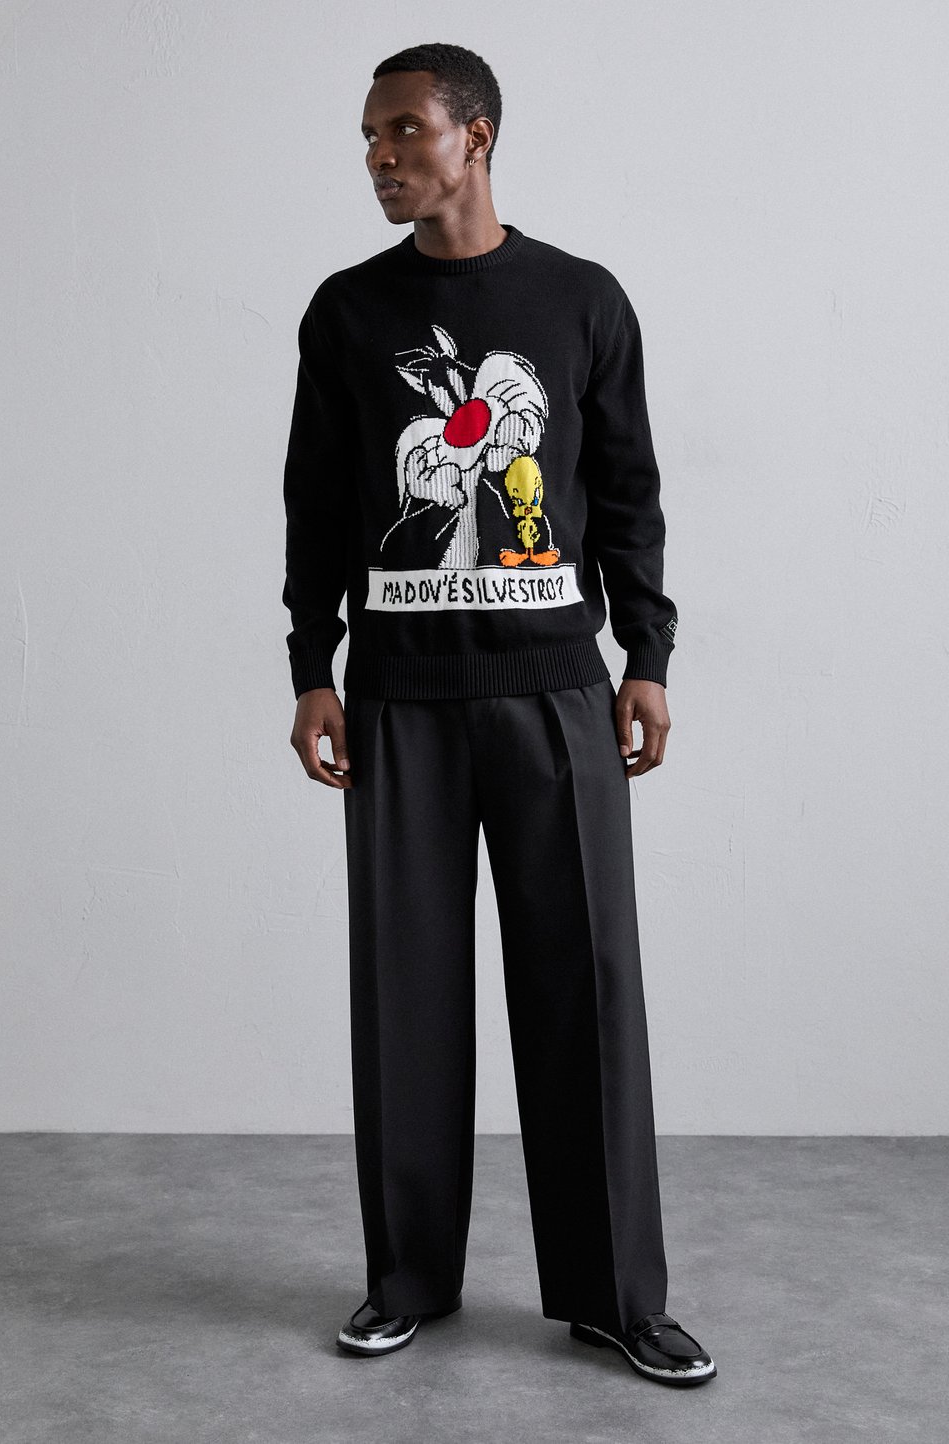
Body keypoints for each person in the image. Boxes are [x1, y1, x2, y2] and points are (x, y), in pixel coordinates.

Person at [281, 41, 716, 1386]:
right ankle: (407, 1277)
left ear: (475, 135)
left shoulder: (581, 299)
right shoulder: (347, 313)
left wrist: (648, 653)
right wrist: (311, 667)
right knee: (405, 997)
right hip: (401, 702)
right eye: (369, 137)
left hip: (554, 696)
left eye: (404, 131)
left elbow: (629, 489)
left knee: (587, 993)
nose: (380, 157)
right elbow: (315, 502)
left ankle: (616, 1297)